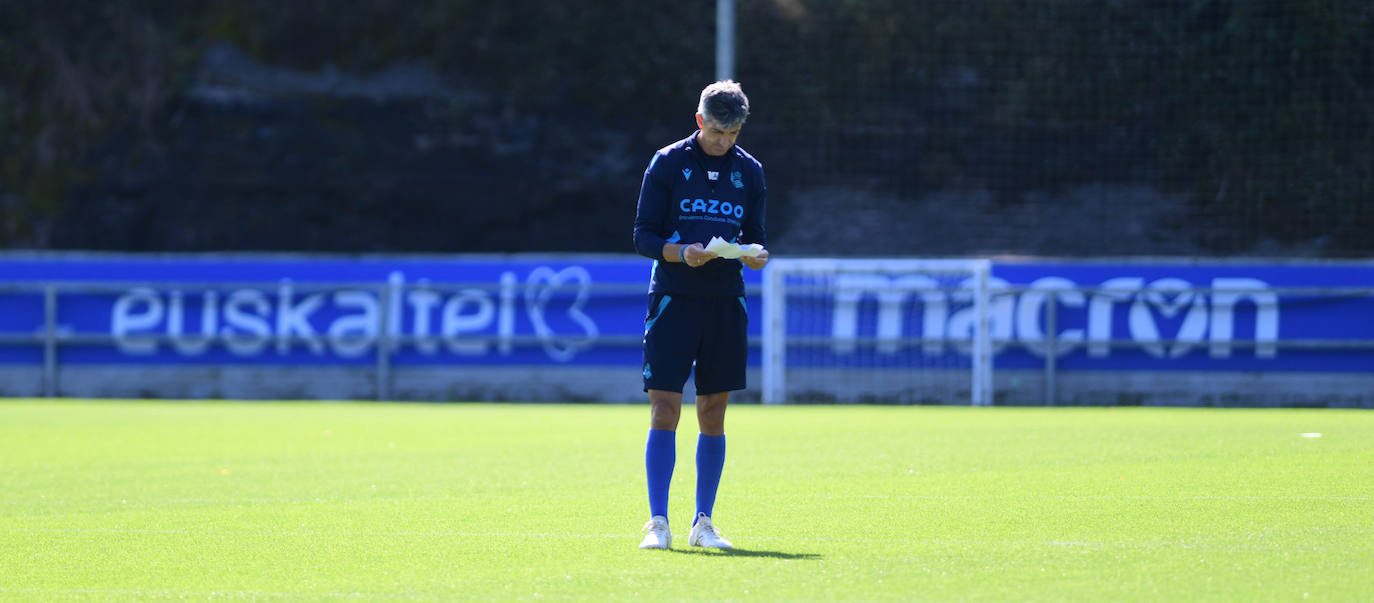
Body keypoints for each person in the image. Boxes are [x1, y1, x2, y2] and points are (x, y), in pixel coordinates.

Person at [631, 80, 769, 550]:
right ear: (699, 122)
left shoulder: (749, 172)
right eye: (715, 132)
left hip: (725, 301)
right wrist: (679, 253)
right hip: (673, 296)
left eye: (730, 135)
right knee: (665, 408)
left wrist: (754, 254)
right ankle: (657, 523)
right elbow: (643, 236)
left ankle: (703, 523)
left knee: (713, 411)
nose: (722, 142)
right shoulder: (667, 163)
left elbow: (756, 234)